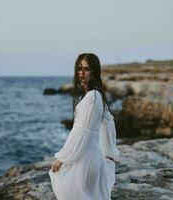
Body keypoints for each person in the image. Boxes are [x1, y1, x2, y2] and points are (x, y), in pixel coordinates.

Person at [48, 53, 120, 200]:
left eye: (86, 69)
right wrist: (109, 152)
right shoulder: (96, 95)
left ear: (94, 72)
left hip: (86, 159)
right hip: (93, 157)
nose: (81, 73)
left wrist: (61, 158)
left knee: (65, 187)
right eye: (79, 68)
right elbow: (109, 122)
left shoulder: (92, 97)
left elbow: (81, 132)